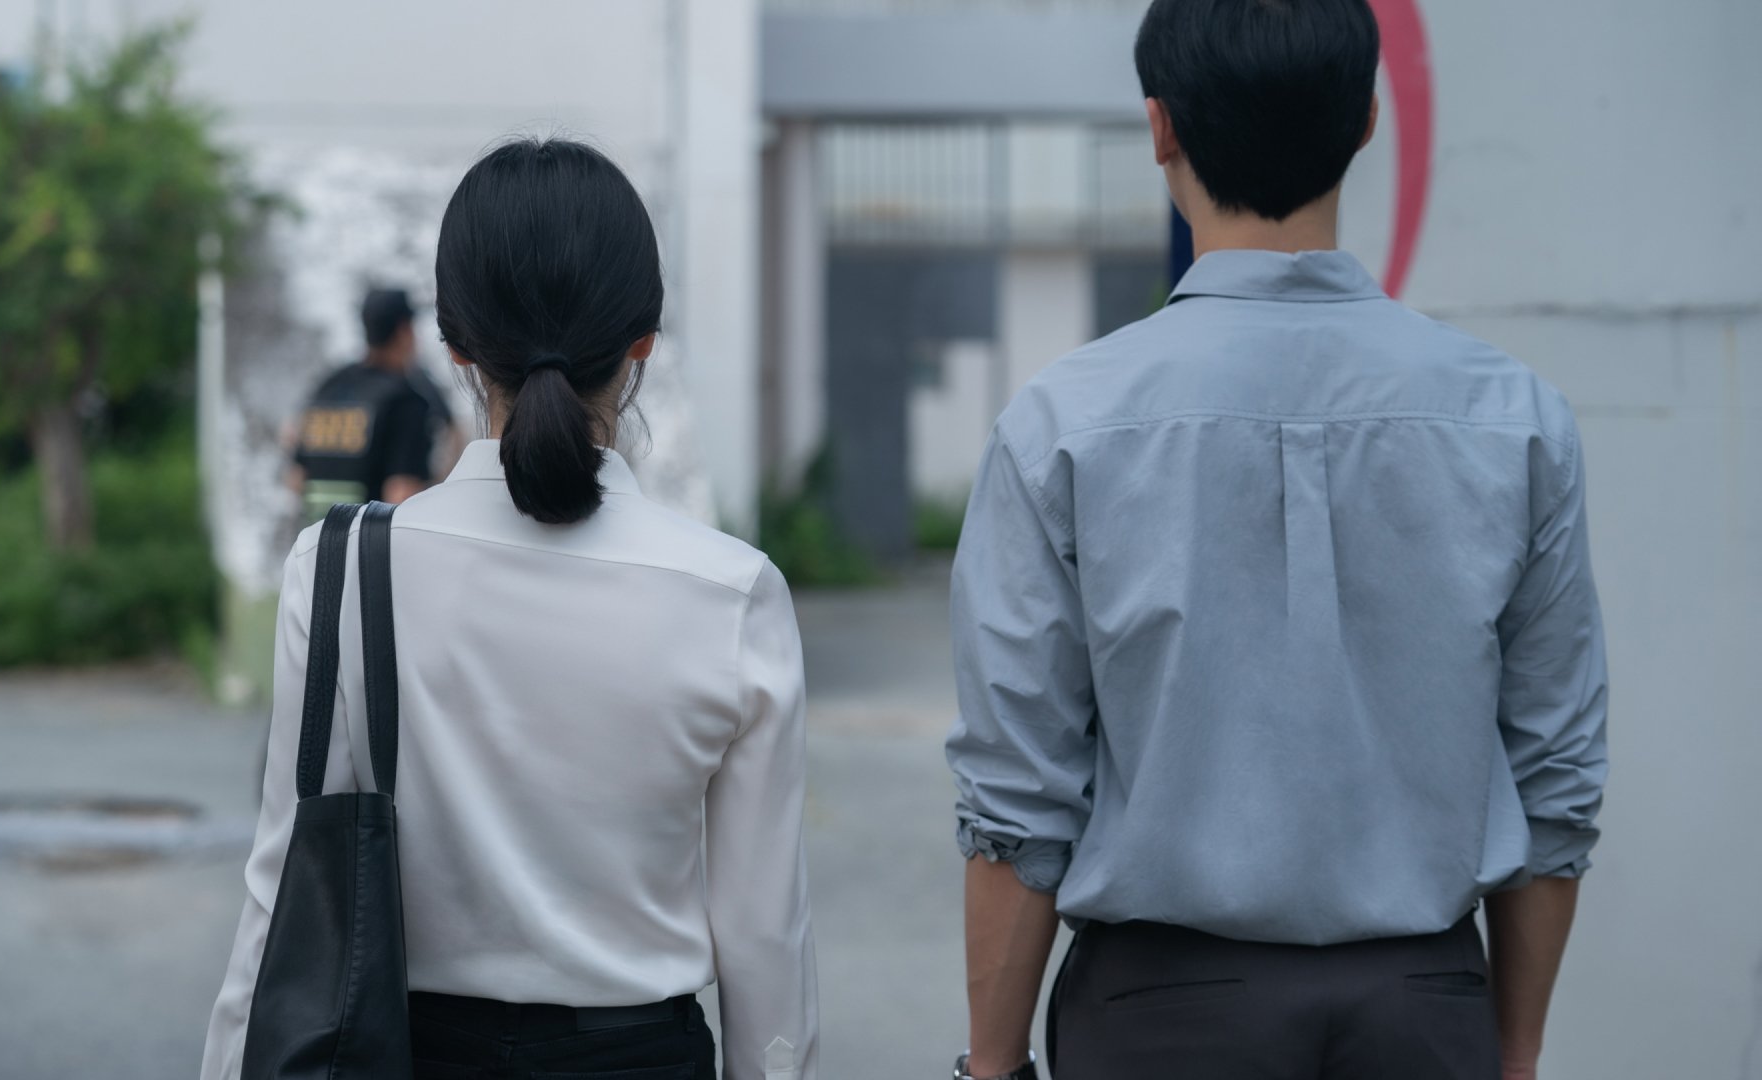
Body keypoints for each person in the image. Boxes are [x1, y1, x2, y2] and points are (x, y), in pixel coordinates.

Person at [945, 2, 1608, 1079]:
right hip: (1424, 1007)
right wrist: (1512, 1056)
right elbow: (1555, 778)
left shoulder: (1060, 425)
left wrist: (989, 1065)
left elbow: (1017, 798)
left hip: (1155, 1017)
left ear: (1158, 126)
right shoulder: (1514, 418)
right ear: (1365, 120)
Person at [202, 137, 818, 1080]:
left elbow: (281, 900)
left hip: (406, 1054)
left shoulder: (341, 569)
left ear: (454, 347)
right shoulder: (732, 595)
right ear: (642, 341)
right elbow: (764, 943)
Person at [289, 287, 457, 523]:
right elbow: (402, 494)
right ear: (404, 331)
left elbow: (296, 478)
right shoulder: (406, 400)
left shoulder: (329, 388)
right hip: (371, 553)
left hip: (317, 547)